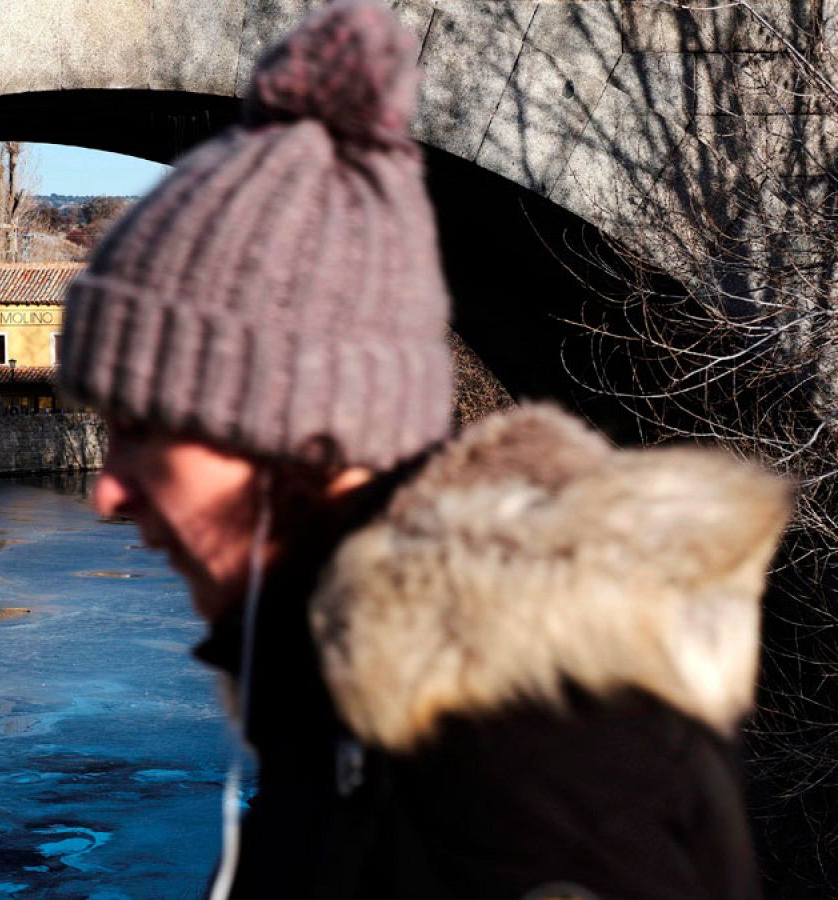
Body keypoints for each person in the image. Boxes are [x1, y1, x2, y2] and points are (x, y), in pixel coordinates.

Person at [56, 1, 791, 897]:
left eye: (140, 429)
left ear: (294, 431)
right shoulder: (363, 719)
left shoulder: (525, 763)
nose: (106, 493)